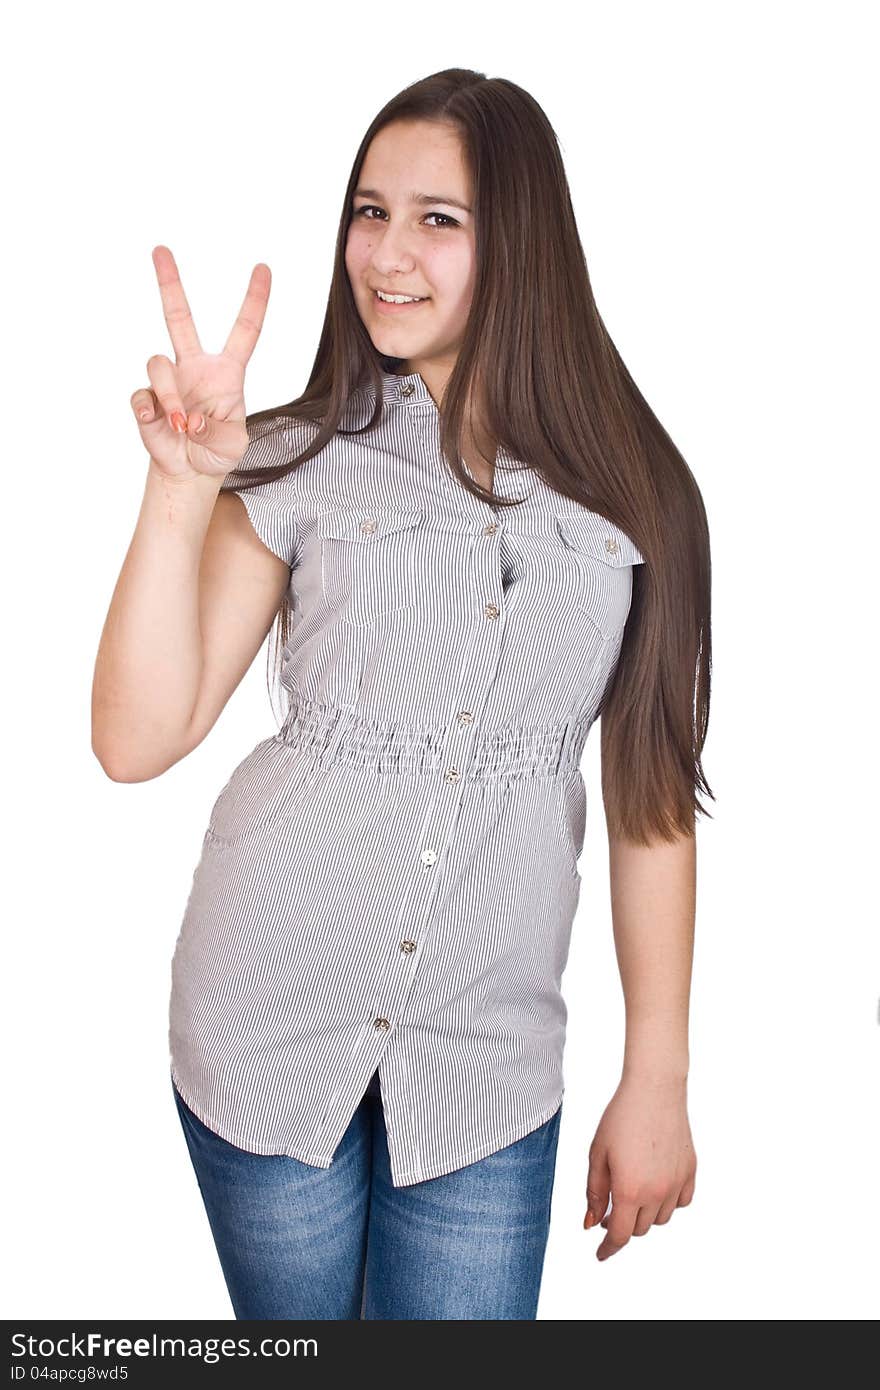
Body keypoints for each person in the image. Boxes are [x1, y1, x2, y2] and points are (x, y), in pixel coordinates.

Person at [92, 67, 710, 1321]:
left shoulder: (639, 495)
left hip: (486, 1071)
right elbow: (134, 738)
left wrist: (657, 1076)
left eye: (439, 219)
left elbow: (651, 804)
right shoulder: (289, 457)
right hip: (262, 1030)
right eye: (369, 211)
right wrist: (176, 492)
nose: (385, 253)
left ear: (522, 243)